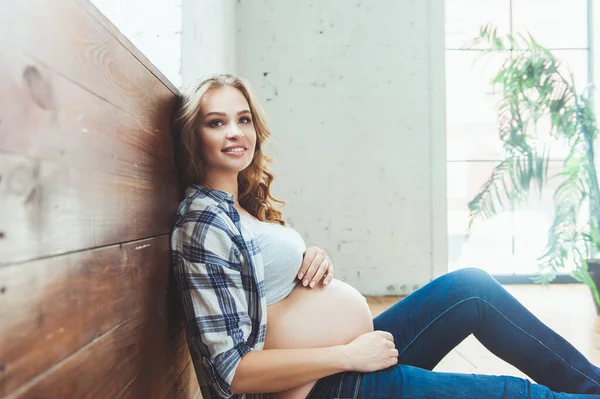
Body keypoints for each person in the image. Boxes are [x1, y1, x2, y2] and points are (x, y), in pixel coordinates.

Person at [170, 74, 600, 399]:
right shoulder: (204, 223)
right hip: (320, 386)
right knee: (512, 393)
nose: (234, 132)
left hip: (344, 360)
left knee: (471, 287)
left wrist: (308, 256)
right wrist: (348, 356)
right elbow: (231, 371)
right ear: (195, 135)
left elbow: (270, 291)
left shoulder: (239, 204)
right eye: (216, 122)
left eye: (243, 119)